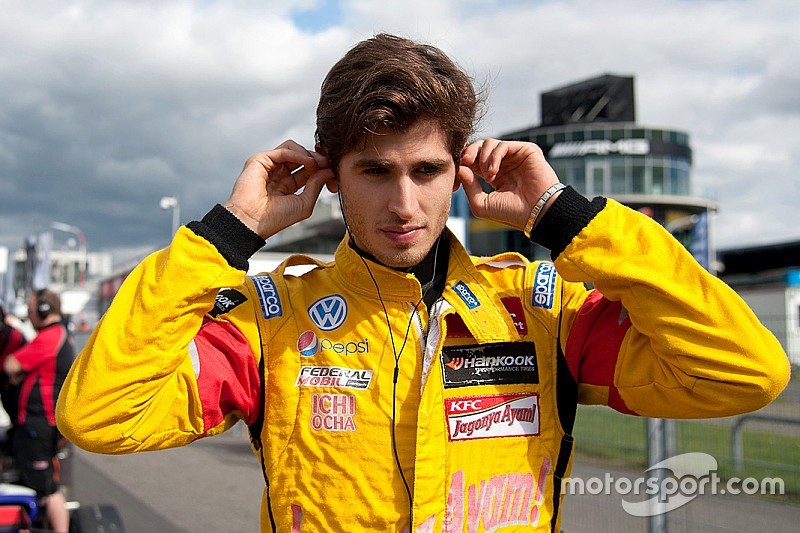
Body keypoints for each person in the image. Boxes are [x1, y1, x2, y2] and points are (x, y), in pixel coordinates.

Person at [56, 34, 790, 532]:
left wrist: (565, 218)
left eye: (425, 171)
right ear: (332, 178)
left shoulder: (543, 311)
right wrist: (226, 234)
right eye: (375, 171)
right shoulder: (270, 320)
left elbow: (746, 374)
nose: (403, 205)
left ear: (460, 172)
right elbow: (100, 417)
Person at [4, 290, 72, 533]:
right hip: (36, 424)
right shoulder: (52, 335)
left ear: (43, 310)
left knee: (47, 488)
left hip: (40, 424)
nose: (29, 314)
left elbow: (12, 364)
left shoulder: (51, 336)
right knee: (39, 483)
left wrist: (14, 372)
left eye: (31, 309)